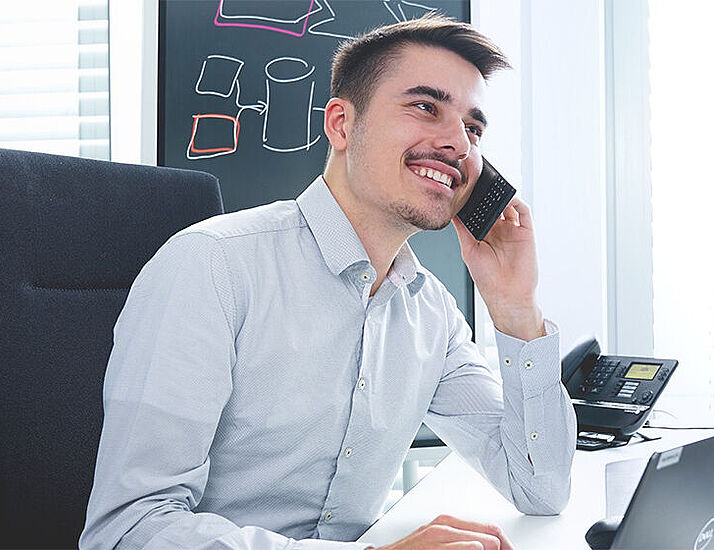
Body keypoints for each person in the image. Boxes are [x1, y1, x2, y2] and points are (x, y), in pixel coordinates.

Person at [80, 14, 575, 550]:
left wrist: (515, 308)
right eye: (425, 107)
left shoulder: (429, 312)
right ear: (341, 124)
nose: (458, 143)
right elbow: (129, 530)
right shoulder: (212, 267)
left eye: (473, 129)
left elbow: (539, 487)